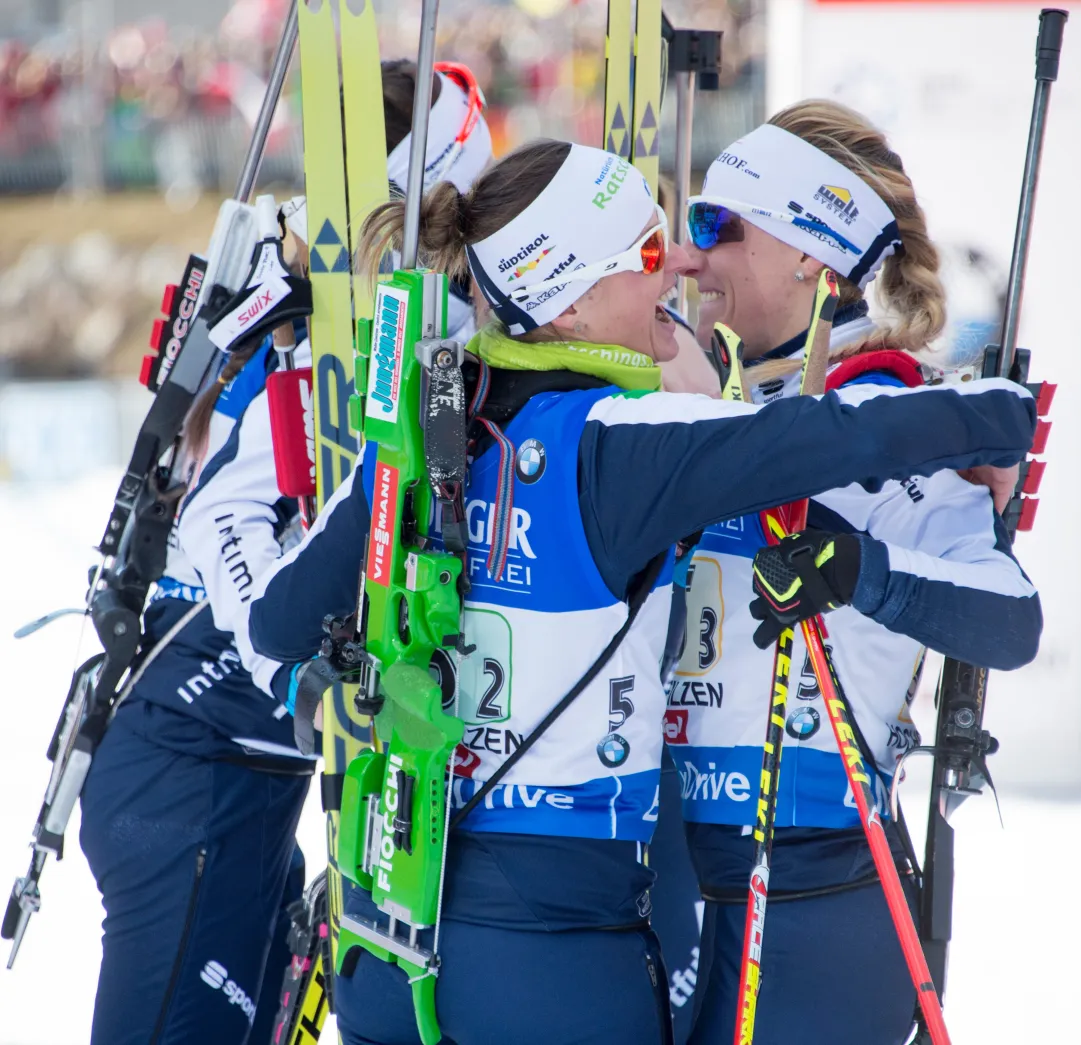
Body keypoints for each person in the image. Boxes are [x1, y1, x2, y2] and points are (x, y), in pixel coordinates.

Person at [247, 138, 1036, 1045]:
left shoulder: (424, 424)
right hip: (552, 960)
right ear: (571, 294)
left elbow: (278, 619)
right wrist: (992, 415)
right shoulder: (620, 437)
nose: (677, 271)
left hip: (391, 941)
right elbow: (812, 444)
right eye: (651, 253)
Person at [77, 58, 493, 1045]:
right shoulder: (340, 310)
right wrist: (289, 673)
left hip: (246, 777)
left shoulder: (383, 298)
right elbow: (224, 514)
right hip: (198, 765)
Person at [674, 100, 1043, 1045]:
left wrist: (858, 570)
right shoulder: (693, 398)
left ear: (809, 253)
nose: (689, 256)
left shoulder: (880, 416)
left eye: (718, 227)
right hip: (667, 887)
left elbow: (1010, 618)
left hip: (809, 896)